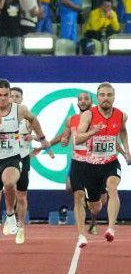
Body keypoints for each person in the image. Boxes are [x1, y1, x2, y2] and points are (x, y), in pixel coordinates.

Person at [0, 78, 48, 254]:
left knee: (9, 183)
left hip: (12, 157)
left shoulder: (19, 110)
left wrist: (42, 137)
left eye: (6, 95)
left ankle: (10, 215)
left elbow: (34, 119)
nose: (3, 99)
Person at [75, 82, 129, 244]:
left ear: (114, 97)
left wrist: (126, 150)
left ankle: (111, 228)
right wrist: (93, 131)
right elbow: (78, 138)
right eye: (102, 95)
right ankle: (93, 214)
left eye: (109, 95)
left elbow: (123, 131)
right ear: (97, 98)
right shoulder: (88, 115)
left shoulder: (121, 115)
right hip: (91, 166)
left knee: (113, 188)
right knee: (95, 207)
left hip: (111, 162)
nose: (106, 98)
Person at [44, 91, 95, 243]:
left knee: (97, 202)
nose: (83, 101)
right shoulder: (71, 119)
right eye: (80, 99)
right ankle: (81, 234)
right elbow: (64, 136)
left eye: (86, 99)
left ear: (91, 102)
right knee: (74, 192)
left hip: (96, 162)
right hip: (78, 160)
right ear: (78, 102)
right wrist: (63, 140)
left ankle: (93, 216)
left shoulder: (97, 118)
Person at [9, 86, 50, 243]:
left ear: (22, 99)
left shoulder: (27, 119)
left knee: (21, 194)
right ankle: (10, 216)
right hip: (6, 158)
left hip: (23, 159)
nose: (13, 98)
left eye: (17, 96)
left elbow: (38, 134)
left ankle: (20, 227)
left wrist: (33, 138)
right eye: (11, 96)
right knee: (8, 189)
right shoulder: (0, 116)